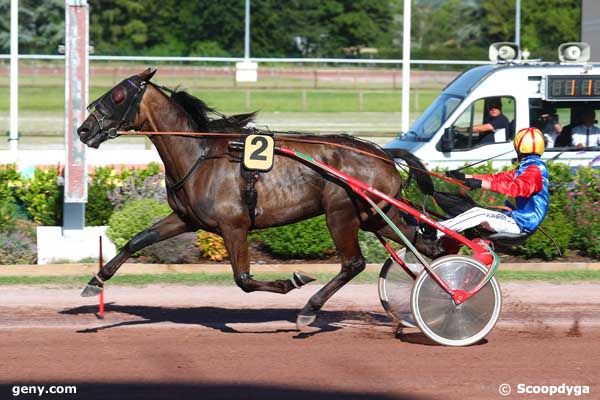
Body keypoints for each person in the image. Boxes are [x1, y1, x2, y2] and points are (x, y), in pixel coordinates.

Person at [442, 127, 549, 238]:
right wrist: (466, 177)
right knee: (471, 211)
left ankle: (435, 232)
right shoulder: (527, 167)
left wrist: (480, 184)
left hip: (521, 224)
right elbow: (497, 178)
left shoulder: (535, 169)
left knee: (477, 214)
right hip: (518, 220)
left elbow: (516, 188)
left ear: (518, 147)